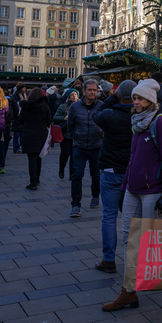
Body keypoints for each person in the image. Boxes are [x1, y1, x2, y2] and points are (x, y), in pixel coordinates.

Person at [102, 78, 162, 311]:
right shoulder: (137, 122)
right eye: (134, 97)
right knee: (128, 239)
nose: (136, 102)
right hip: (132, 190)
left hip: (152, 191)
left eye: (140, 98)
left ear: (151, 101)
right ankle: (129, 292)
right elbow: (133, 159)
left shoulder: (160, 123)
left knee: (151, 244)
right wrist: (124, 186)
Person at [93, 80, 136, 275]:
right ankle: (134, 260)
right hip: (132, 171)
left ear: (118, 95)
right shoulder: (140, 116)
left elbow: (97, 113)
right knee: (134, 219)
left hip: (110, 170)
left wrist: (112, 96)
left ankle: (109, 259)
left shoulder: (110, 115)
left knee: (109, 217)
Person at [67, 78, 104, 218]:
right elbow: (70, 126)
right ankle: (75, 204)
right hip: (80, 146)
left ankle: (95, 196)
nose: (92, 92)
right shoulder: (75, 107)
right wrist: (75, 137)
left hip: (96, 146)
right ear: (83, 91)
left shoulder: (101, 106)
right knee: (77, 175)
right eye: (89, 90)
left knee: (96, 174)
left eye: (95, 90)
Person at [19, 88, 51, 190]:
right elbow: (49, 121)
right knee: (39, 157)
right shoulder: (45, 106)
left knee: (31, 158)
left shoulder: (26, 106)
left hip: (29, 133)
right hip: (41, 133)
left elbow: (21, 120)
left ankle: (32, 182)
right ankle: (37, 179)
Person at [53, 90, 78, 179]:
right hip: (65, 134)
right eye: (72, 95)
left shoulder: (80, 106)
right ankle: (61, 169)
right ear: (68, 97)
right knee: (65, 153)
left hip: (77, 135)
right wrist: (64, 117)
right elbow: (55, 118)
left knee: (74, 155)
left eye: (75, 94)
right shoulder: (63, 106)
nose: (74, 96)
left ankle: (72, 174)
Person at [12, 82, 27, 153]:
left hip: (23, 116)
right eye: (23, 88)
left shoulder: (25, 95)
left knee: (22, 133)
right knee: (17, 133)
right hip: (17, 116)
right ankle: (16, 147)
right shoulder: (15, 96)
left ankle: (22, 146)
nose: (25, 89)